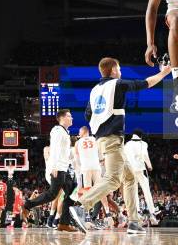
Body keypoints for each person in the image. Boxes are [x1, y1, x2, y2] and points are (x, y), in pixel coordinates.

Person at [69, 57, 171, 234]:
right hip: (112, 140)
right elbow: (146, 83)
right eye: (120, 68)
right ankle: (81, 205)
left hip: (102, 140)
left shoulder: (95, 90)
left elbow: (87, 115)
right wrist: (165, 72)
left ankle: (134, 222)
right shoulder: (117, 84)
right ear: (114, 70)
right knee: (114, 179)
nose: (121, 71)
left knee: (130, 177)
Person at [21, 109, 78, 233]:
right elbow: (55, 150)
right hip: (58, 168)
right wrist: (55, 167)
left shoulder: (65, 132)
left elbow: (65, 153)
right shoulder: (57, 131)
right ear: (62, 118)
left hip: (64, 169)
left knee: (72, 194)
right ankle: (27, 205)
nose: (72, 118)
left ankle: (63, 223)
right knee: (52, 194)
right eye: (69, 116)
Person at [74, 126, 112, 227]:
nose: (78, 134)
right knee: (100, 190)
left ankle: (86, 216)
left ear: (82, 132)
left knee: (87, 191)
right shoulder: (95, 140)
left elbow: (77, 160)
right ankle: (108, 214)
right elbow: (101, 157)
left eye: (79, 132)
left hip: (85, 168)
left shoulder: (77, 143)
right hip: (96, 167)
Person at [124, 128, 158, 225]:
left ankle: (138, 213)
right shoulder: (143, 143)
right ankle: (152, 214)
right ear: (141, 135)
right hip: (140, 169)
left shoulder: (127, 144)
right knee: (146, 191)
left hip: (130, 170)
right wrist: (150, 166)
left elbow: (125, 158)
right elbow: (145, 155)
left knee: (134, 191)